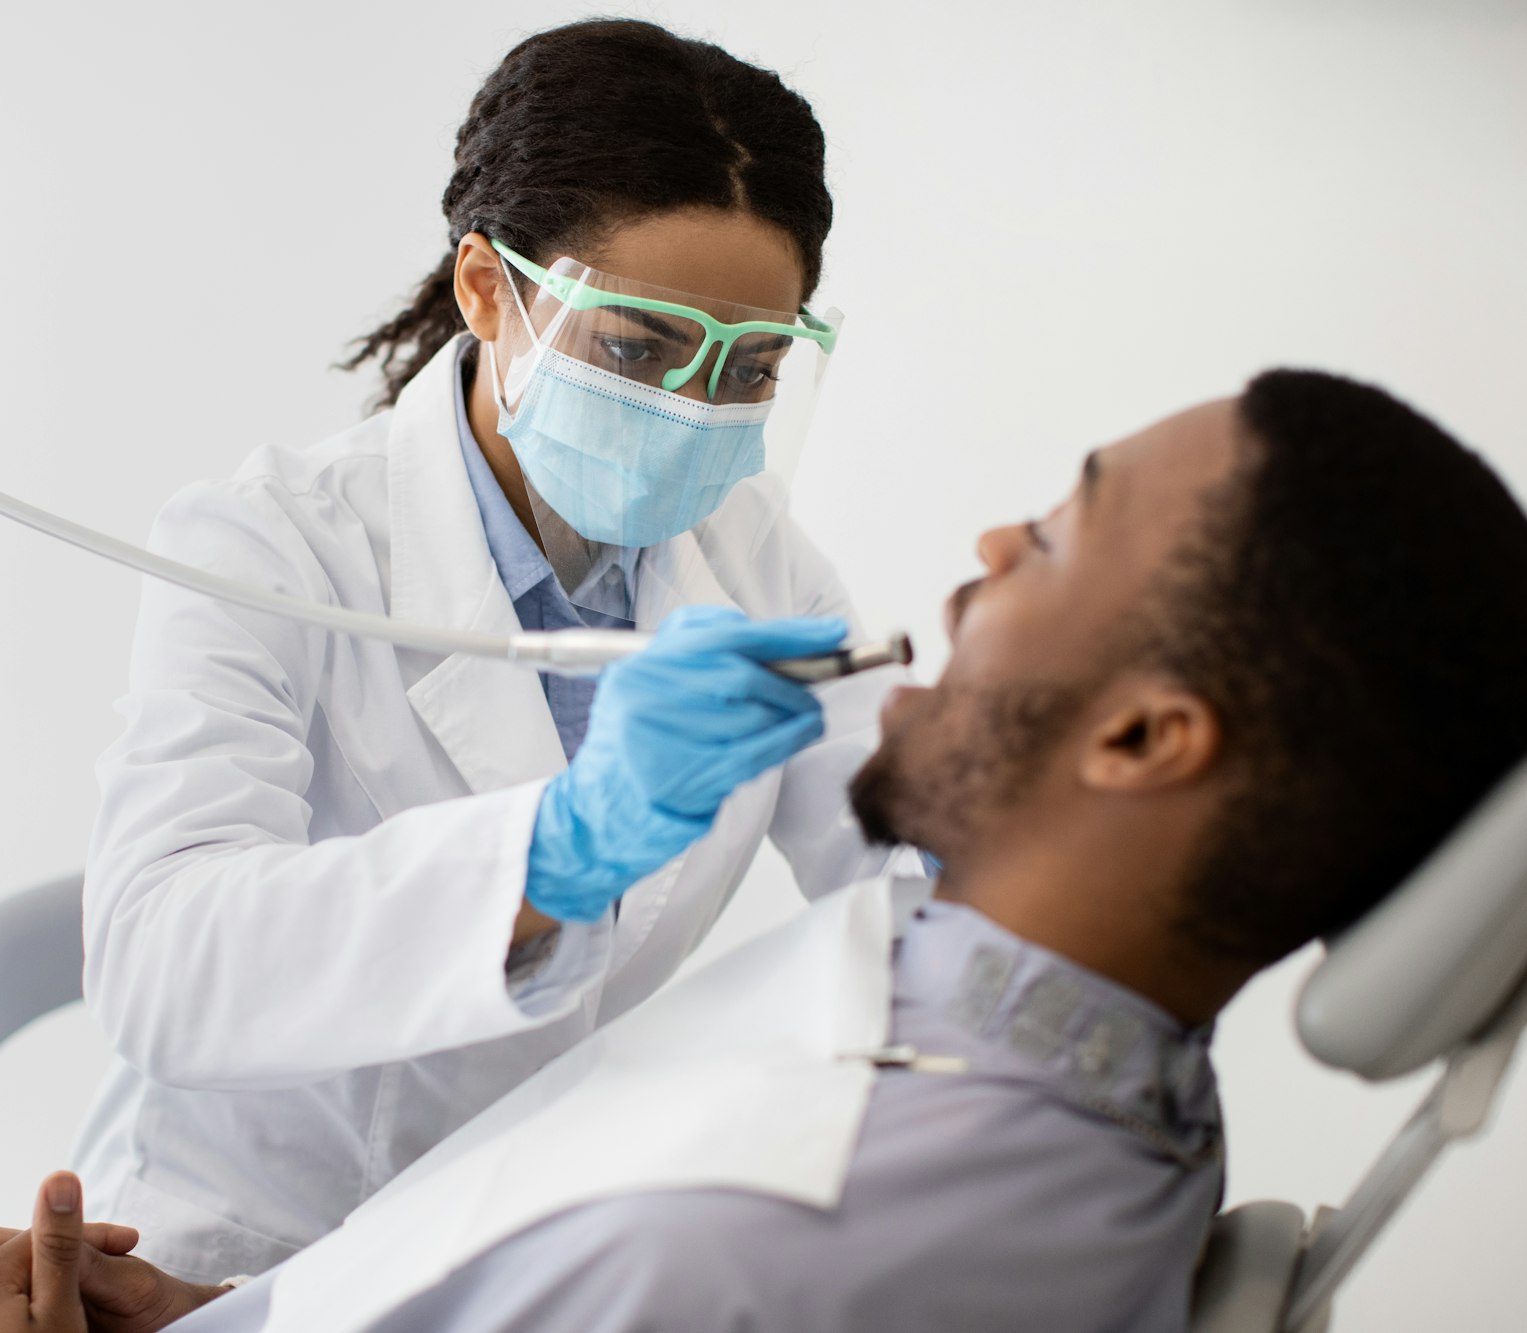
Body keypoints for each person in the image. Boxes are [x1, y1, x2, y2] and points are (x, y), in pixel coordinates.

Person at [0, 368, 1527, 1333]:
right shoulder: (1031, 1069)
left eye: (1054, 538)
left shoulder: (752, 1238)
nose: (985, 552)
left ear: (1152, 735)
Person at [68, 18, 914, 1283]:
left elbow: (902, 858)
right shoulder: (267, 546)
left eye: (750, 369)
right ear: (486, 287)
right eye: (639, 348)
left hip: (535, 1251)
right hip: (243, 1257)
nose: (695, 413)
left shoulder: (752, 556)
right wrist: (556, 855)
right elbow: (159, 964)